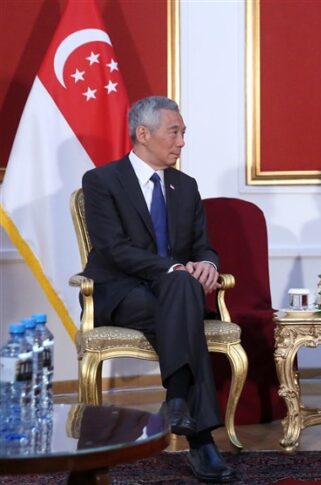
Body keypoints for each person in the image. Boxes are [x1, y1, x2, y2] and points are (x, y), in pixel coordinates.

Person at [81, 96, 235, 483]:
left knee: (181, 290)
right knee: (183, 296)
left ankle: (179, 402)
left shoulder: (185, 185)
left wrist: (207, 264)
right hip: (122, 293)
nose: (182, 142)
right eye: (174, 132)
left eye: (183, 133)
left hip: (174, 294)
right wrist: (173, 268)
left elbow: (203, 245)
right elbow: (113, 249)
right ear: (143, 133)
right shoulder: (101, 181)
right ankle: (201, 440)